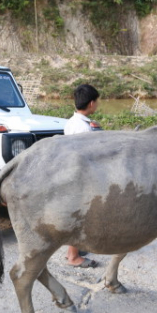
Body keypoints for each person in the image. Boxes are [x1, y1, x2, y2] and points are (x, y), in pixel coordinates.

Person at [63, 83, 101, 268]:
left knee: (76, 213)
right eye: (97, 102)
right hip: (82, 177)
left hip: (71, 173)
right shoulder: (86, 128)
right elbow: (89, 156)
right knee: (80, 215)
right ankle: (73, 256)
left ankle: (74, 249)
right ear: (92, 103)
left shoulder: (71, 122)